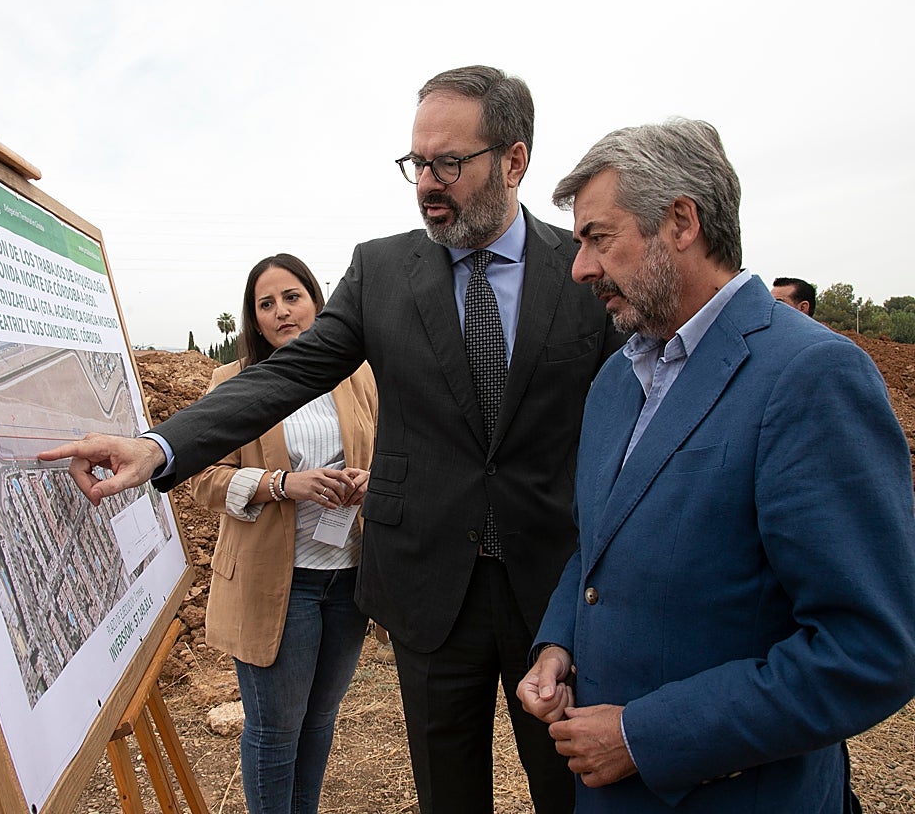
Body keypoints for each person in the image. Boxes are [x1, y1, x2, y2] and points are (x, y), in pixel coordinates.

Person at [41, 65, 623, 814]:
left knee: (568, 793)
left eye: (449, 162)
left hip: (554, 596)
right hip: (428, 594)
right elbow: (283, 378)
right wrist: (159, 447)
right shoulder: (382, 271)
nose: (426, 184)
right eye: (417, 164)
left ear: (513, 161)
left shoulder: (579, 269)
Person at [517, 118, 915, 812]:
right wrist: (558, 643)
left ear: (680, 221)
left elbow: (873, 647)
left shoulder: (810, 376)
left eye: (597, 237)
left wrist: (645, 736)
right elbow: (598, 549)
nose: (579, 267)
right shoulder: (616, 381)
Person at [188, 253, 377, 814]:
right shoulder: (234, 382)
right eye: (265, 303)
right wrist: (282, 483)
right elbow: (203, 480)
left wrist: (372, 478)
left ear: (316, 302)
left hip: (346, 579)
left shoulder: (356, 375)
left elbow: (392, 448)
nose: (281, 312)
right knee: (275, 731)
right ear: (253, 318)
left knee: (319, 721)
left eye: (291, 297)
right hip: (278, 584)